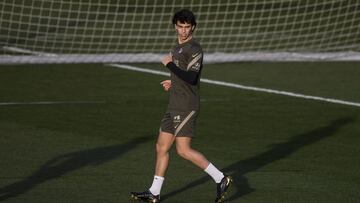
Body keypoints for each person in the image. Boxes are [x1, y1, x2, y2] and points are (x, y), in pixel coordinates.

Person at [131, 9, 232, 203]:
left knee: (183, 150)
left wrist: (169, 65)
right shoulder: (176, 47)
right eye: (180, 26)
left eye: (187, 27)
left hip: (186, 105)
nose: (184, 31)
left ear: (193, 27)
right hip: (174, 104)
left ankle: (221, 178)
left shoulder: (194, 48)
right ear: (175, 26)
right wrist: (172, 82)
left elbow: (192, 78)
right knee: (161, 147)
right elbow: (182, 75)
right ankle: (154, 192)